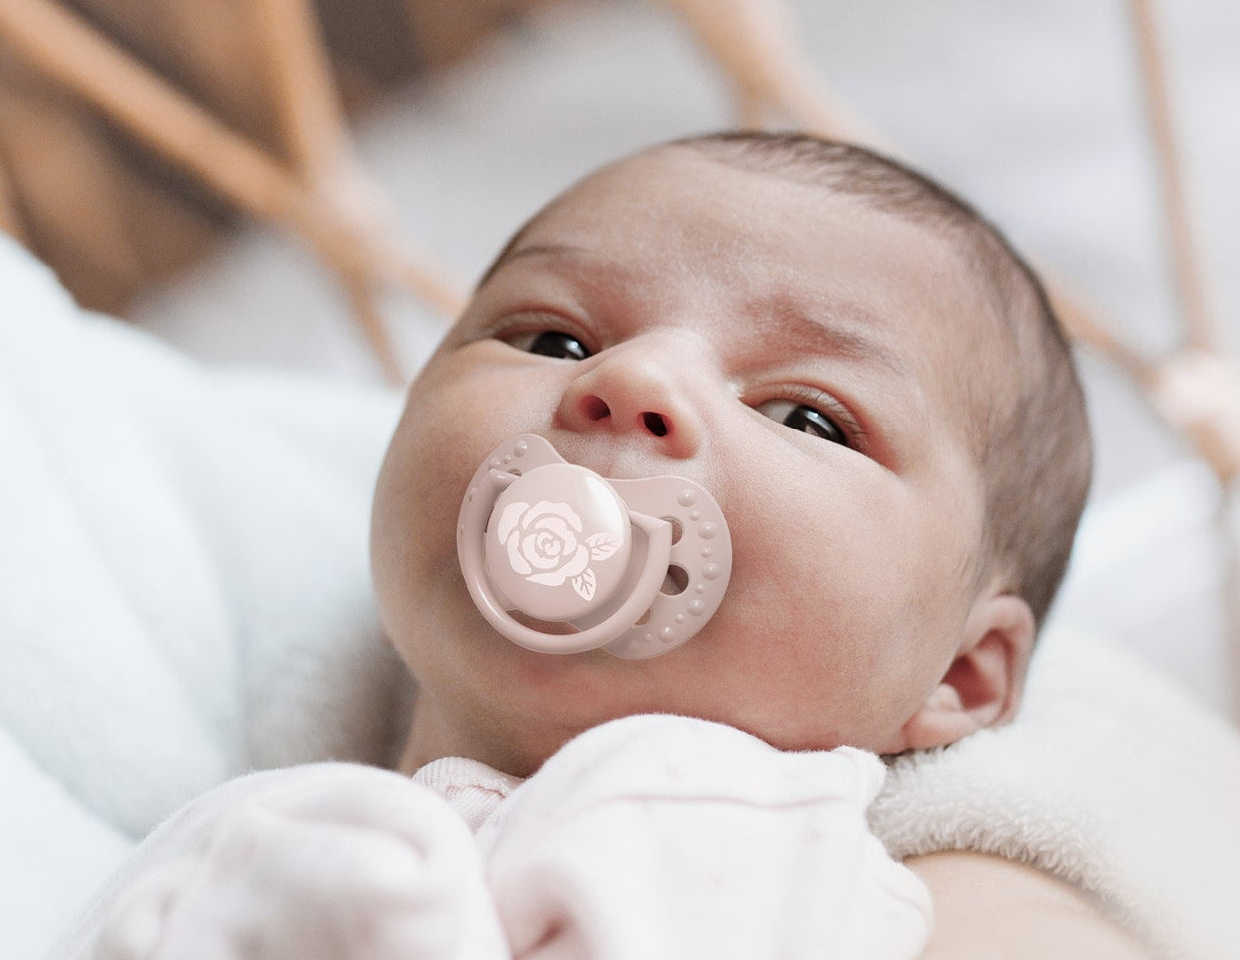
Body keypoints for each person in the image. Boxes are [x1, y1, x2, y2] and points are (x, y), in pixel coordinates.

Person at [64, 132, 1143, 960]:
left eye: (804, 416)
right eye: (554, 338)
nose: (635, 381)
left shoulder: (886, 882)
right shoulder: (248, 849)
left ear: (956, 670)